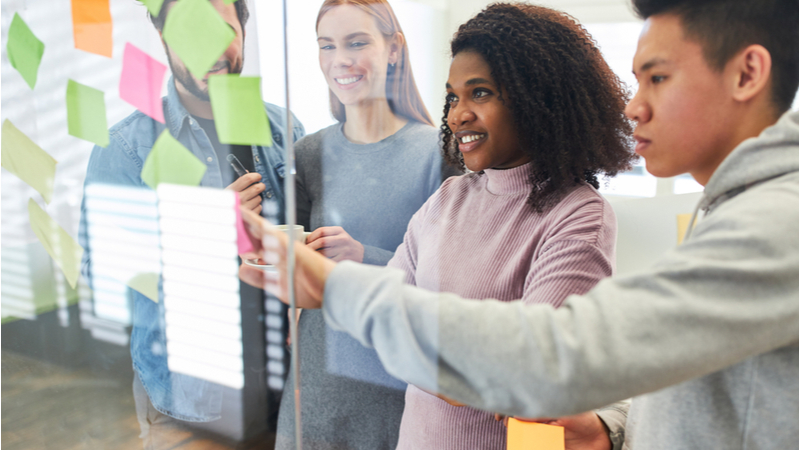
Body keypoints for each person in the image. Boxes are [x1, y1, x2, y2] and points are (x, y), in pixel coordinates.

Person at [243, 0, 799, 448]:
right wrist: (614, 425)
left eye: (657, 78)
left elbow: (549, 360)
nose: (635, 108)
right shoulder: (446, 198)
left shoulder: (775, 224)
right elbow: (682, 379)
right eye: (453, 97)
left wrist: (335, 285)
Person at [77, 0, 304, 448]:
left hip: (290, 397)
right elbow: (101, 282)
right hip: (190, 414)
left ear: (244, 28)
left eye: (222, 29)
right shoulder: (125, 149)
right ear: (162, 39)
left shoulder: (282, 128)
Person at [238, 1, 452, 448]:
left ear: (393, 49)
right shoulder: (308, 154)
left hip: (399, 395)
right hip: (315, 393)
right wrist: (245, 229)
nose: (340, 60)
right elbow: (285, 277)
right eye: (327, 45)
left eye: (357, 43)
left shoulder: (439, 155)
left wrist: (365, 258)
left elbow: (459, 283)